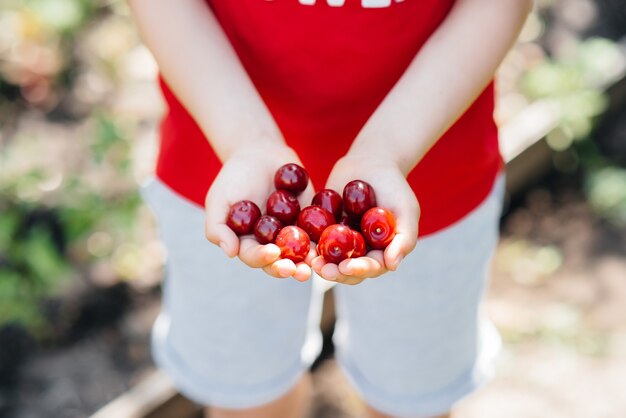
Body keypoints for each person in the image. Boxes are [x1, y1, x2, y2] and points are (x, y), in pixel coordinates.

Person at [129, 0, 532, 417]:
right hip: (220, 163)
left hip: (433, 170)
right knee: (247, 396)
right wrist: (243, 139)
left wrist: (390, 147)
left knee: (411, 399)